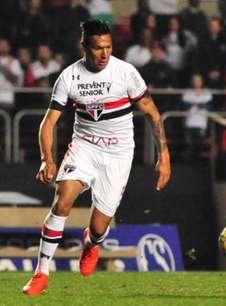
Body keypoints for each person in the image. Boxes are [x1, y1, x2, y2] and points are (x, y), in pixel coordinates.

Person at [22, 19, 171, 296]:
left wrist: (164, 155)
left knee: (99, 227)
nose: (104, 54)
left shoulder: (125, 73)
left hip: (118, 154)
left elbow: (152, 112)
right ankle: (41, 273)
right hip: (84, 147)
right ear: (84, 46)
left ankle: (91, 243)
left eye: (109, 47)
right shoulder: (68, 77)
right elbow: (49, 122)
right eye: (97, 48)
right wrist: (47, 159)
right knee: (63, 199)